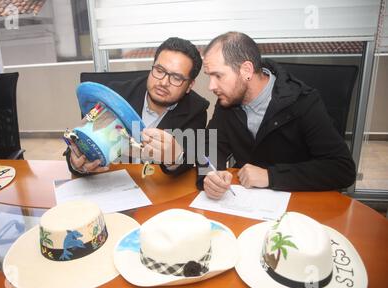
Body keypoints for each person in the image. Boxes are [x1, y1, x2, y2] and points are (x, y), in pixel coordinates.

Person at [198, 31, 356, 199]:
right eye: (209, 76)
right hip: (247, 201)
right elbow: (209, 144)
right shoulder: (228, 99)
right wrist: (210, 175)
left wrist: (270, 176)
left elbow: (342, 169)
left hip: (297, 202)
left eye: (218, 76)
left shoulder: (303, 102)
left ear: (246, 70)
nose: (211, 86)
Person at [65, 37, 209, 176]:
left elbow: (187, 161)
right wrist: (76, 163)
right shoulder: (113, 97)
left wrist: (175, 158)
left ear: (190, 85)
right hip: (111, 184)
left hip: (157, 190)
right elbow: (81, 141)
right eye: (159, 70)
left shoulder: (196, 110)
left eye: (176, 78)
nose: (164, 82)